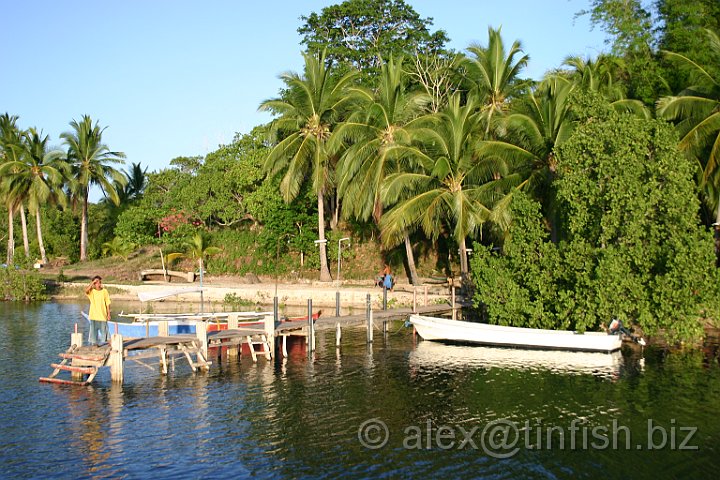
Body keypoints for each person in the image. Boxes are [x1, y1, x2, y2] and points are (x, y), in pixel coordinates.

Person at [85, 275, 111, 346]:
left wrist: (109, 314)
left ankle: (111, 345)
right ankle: (94, 346)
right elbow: (86, 291)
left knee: (106, 332)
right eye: (96, 283)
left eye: (99, 282)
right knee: (93, 333)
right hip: (94, 316)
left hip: (102, 315)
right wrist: (92, 282)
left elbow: (107, 303)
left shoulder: (104, 291)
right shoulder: (92, 292)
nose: (98, 284)